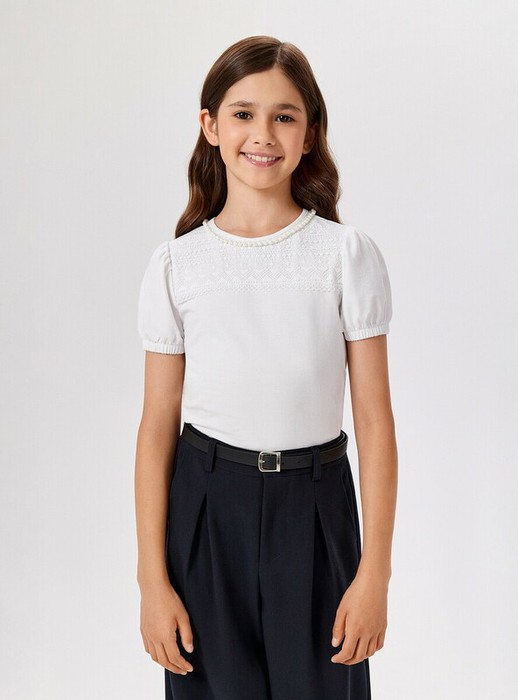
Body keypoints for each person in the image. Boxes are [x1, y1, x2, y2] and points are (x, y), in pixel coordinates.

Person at [135, 34, 398, 700]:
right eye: (243, 113)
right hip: (206, 511)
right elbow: (157, 425)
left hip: (314, 509)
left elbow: (373, 420)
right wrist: (151, 581)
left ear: (309, 133)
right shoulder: (177, 265)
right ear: (211, 126)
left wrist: (374, 574)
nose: (263, 134)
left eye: (284, 116)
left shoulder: (343, 255)